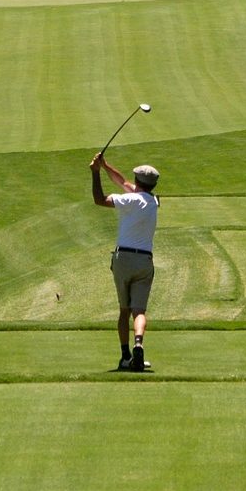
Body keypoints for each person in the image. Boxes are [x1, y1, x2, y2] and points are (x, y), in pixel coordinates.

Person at [90, 153, 159, 371]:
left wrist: (95, 174)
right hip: (144, 261)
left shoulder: (128, 200)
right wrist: (105, 165)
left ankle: (125, 356)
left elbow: (99, 199)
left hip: (123, 259)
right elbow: (122, 182)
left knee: (123, 311)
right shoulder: (154, 201)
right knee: (139, 311)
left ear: (137, 181)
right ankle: (139, 344)